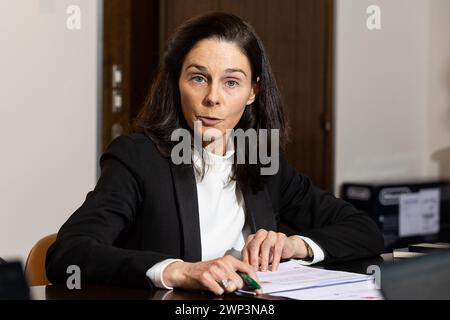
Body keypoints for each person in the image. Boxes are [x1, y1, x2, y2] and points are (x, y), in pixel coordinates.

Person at [46, 12, 384, 295]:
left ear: (253, 92)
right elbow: (68, 253)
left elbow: (364, 229)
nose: (213, 98)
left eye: (231, 82)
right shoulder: (138, 158)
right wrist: (178, 271)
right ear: (176, 82)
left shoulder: (263, 160)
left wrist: (295, 245)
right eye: (198, 78)